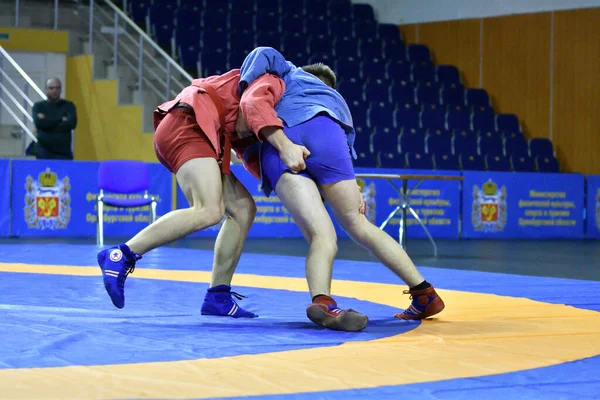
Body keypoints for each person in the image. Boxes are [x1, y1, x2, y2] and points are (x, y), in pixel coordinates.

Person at [228, 47, 445, 331]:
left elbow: (263, 53)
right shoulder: (336, 102)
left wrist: (245, 89)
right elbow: (340, 149)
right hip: (329, 135)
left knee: (321, 235)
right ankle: (424, 293)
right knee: (359, 224)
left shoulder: (289, 73)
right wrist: (351, 190)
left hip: (283, 133)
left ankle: (323, 301)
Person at [96, 68, 308, 318]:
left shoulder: (276, 109)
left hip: (202, 131)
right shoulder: (278, 83)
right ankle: (121, 254)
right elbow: (251, 103)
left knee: (243, 209)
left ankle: (218, 296)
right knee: (208, 210)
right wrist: (285, 145)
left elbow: (248, 152)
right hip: (189, 123)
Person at [32, 77, 77, 160]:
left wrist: (47, 121)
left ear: (61, 89)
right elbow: (39, 123)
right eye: (51, 88)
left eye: (57, 88)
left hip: (64, 154)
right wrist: (61, 119)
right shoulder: (39, 106)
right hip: (43, 153)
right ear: (46, 89)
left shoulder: (69, 106)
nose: (54, 91)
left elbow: (72, 124)